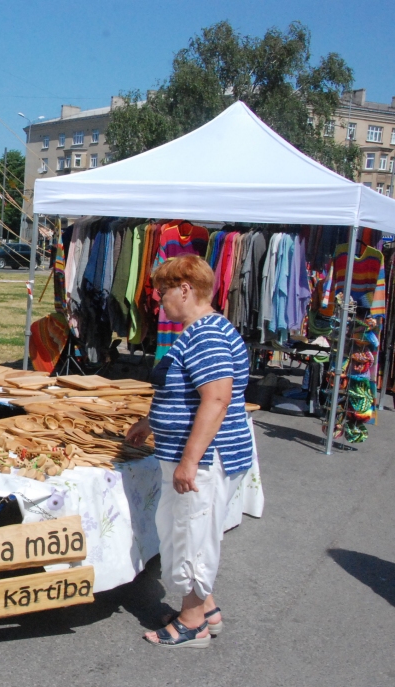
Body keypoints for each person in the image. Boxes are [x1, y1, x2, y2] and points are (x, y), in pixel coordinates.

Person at [125, 254, 253, 649]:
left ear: (185, 289)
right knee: (189, 533)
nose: (159, 301)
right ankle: (205, 609)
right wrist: (152, 421)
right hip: (197, 453)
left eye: (163, 292)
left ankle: (192, 623)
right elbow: (186, 392)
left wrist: (190, 461)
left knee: (192, 536)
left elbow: (215, 399)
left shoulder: (206, 334)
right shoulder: (204, 331)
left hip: (204, 459)